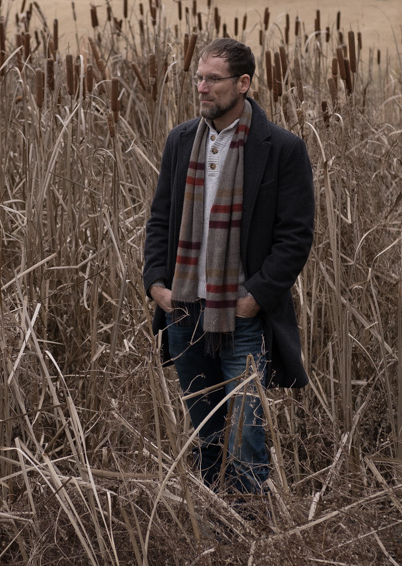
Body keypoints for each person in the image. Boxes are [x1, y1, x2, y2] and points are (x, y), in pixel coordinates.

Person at [143, 38, 314, 494]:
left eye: (213, 79)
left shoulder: (281, 147)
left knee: (245, 440)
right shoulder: (181, 140)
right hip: (184, 313)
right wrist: (156, 284)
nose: (202, 87)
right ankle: (214, 532)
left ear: (243, 83)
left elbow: (295, 236)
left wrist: (254, 298)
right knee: (206, 439)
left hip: (241, 318)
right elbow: (161, 217)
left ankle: (251, 537)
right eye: (198, 78)